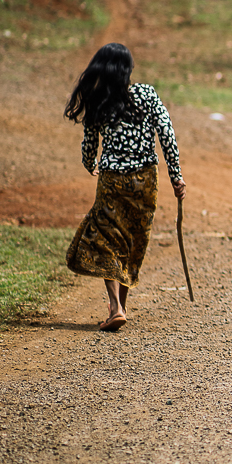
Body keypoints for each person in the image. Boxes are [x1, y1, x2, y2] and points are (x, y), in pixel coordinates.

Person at [64, 43, 186, 331]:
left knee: (107, 239)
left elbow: (89, 143)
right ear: (128, 69)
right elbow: (167, 134)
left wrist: (89, 163)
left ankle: (115, 307)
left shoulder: (99, 99)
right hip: (145, 181)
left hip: (112, 180)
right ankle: (121, 306)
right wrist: (176, 176)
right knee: (133, 239)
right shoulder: (147, 94)